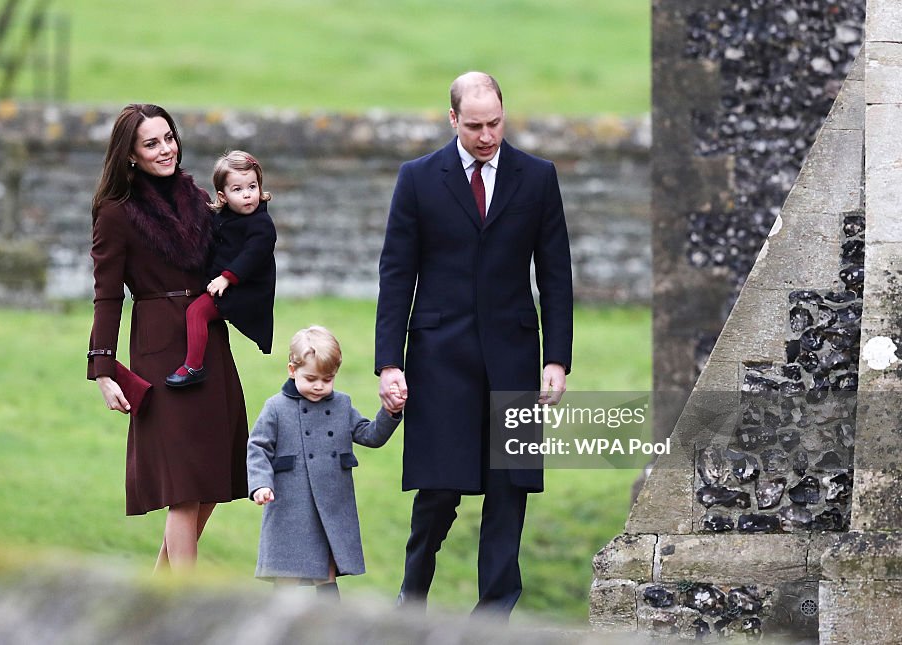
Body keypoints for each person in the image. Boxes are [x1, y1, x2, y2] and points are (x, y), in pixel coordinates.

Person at [375, 72, 573, 616]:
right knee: (438, 492)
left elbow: (555, 275)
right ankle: (410, 601)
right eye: (475, 125)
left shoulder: (537, 177)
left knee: (509, 491)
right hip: (439, 359)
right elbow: (396, 274)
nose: (487, 136)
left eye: (495, 123)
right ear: (453, 119)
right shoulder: (417, 179)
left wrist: (556, 358)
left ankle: (494, 616)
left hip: (512, 359)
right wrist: (389, 362)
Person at [87, 103, 249, 571]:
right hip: (159, 351)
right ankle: (185, 607)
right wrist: (104, 369)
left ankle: (157, 594)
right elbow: (106, 296)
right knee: (183, 486)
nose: (165, 149)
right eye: (151, 143)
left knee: (213, 475)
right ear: (131, 155)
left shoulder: (199, 198)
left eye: (169, 137)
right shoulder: (116, 213)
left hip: (209, 343)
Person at [247, 326, 402, 600]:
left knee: (325, 574)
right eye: (311, 378)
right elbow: (258, 447)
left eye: (327, 379)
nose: (319, 386)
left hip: (330, 505)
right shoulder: (276, 407)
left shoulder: (342, 405)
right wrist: (260, 484)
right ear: (292, 370)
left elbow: (369, 435)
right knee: (287, 575)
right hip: (289, 503)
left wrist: (390, 413)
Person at [165, 150, 278, 387]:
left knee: (197, 312)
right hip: (223, 283)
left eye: (252, 186)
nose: (247, 195)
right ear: (222, 196)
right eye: (237, 189)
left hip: (245, 291)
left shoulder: (262, 224)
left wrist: (226, 278)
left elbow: (252, 255)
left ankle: (193, 366)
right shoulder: (222, 218)